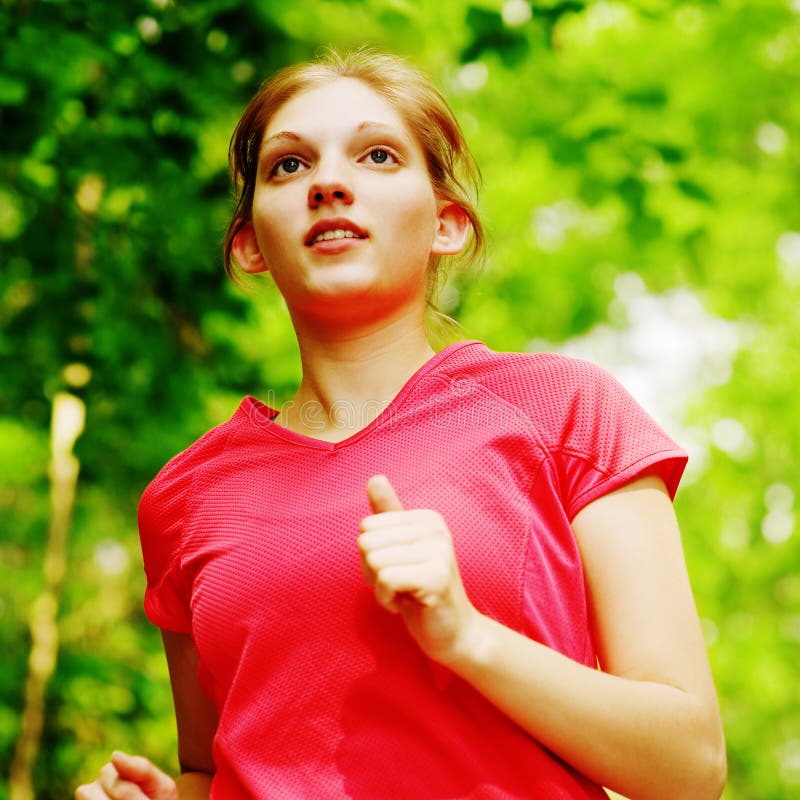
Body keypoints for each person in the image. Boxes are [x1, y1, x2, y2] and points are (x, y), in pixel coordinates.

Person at [76, 49, 726, 800]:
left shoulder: (566, 411)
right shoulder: (183, 498)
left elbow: (690, 768)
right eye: (288, 167)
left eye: (377, 155)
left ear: (446, 224)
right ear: (249, 244)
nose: (326, 182)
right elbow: (210, 771)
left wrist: (467, 635)